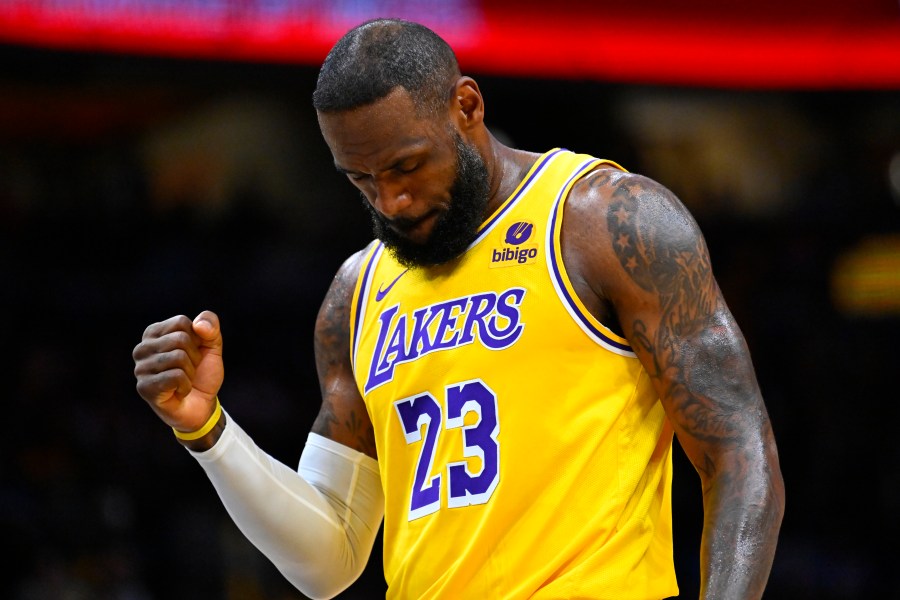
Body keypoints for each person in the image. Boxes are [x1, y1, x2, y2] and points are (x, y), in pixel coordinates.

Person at [132, 17, 785, 600]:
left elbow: (739, 451)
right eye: (362, 180)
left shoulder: (601, 221)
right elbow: (327, 562)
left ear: (466, 105)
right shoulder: (355, 295)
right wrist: (208, 431)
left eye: (407, 166)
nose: (391, 202)